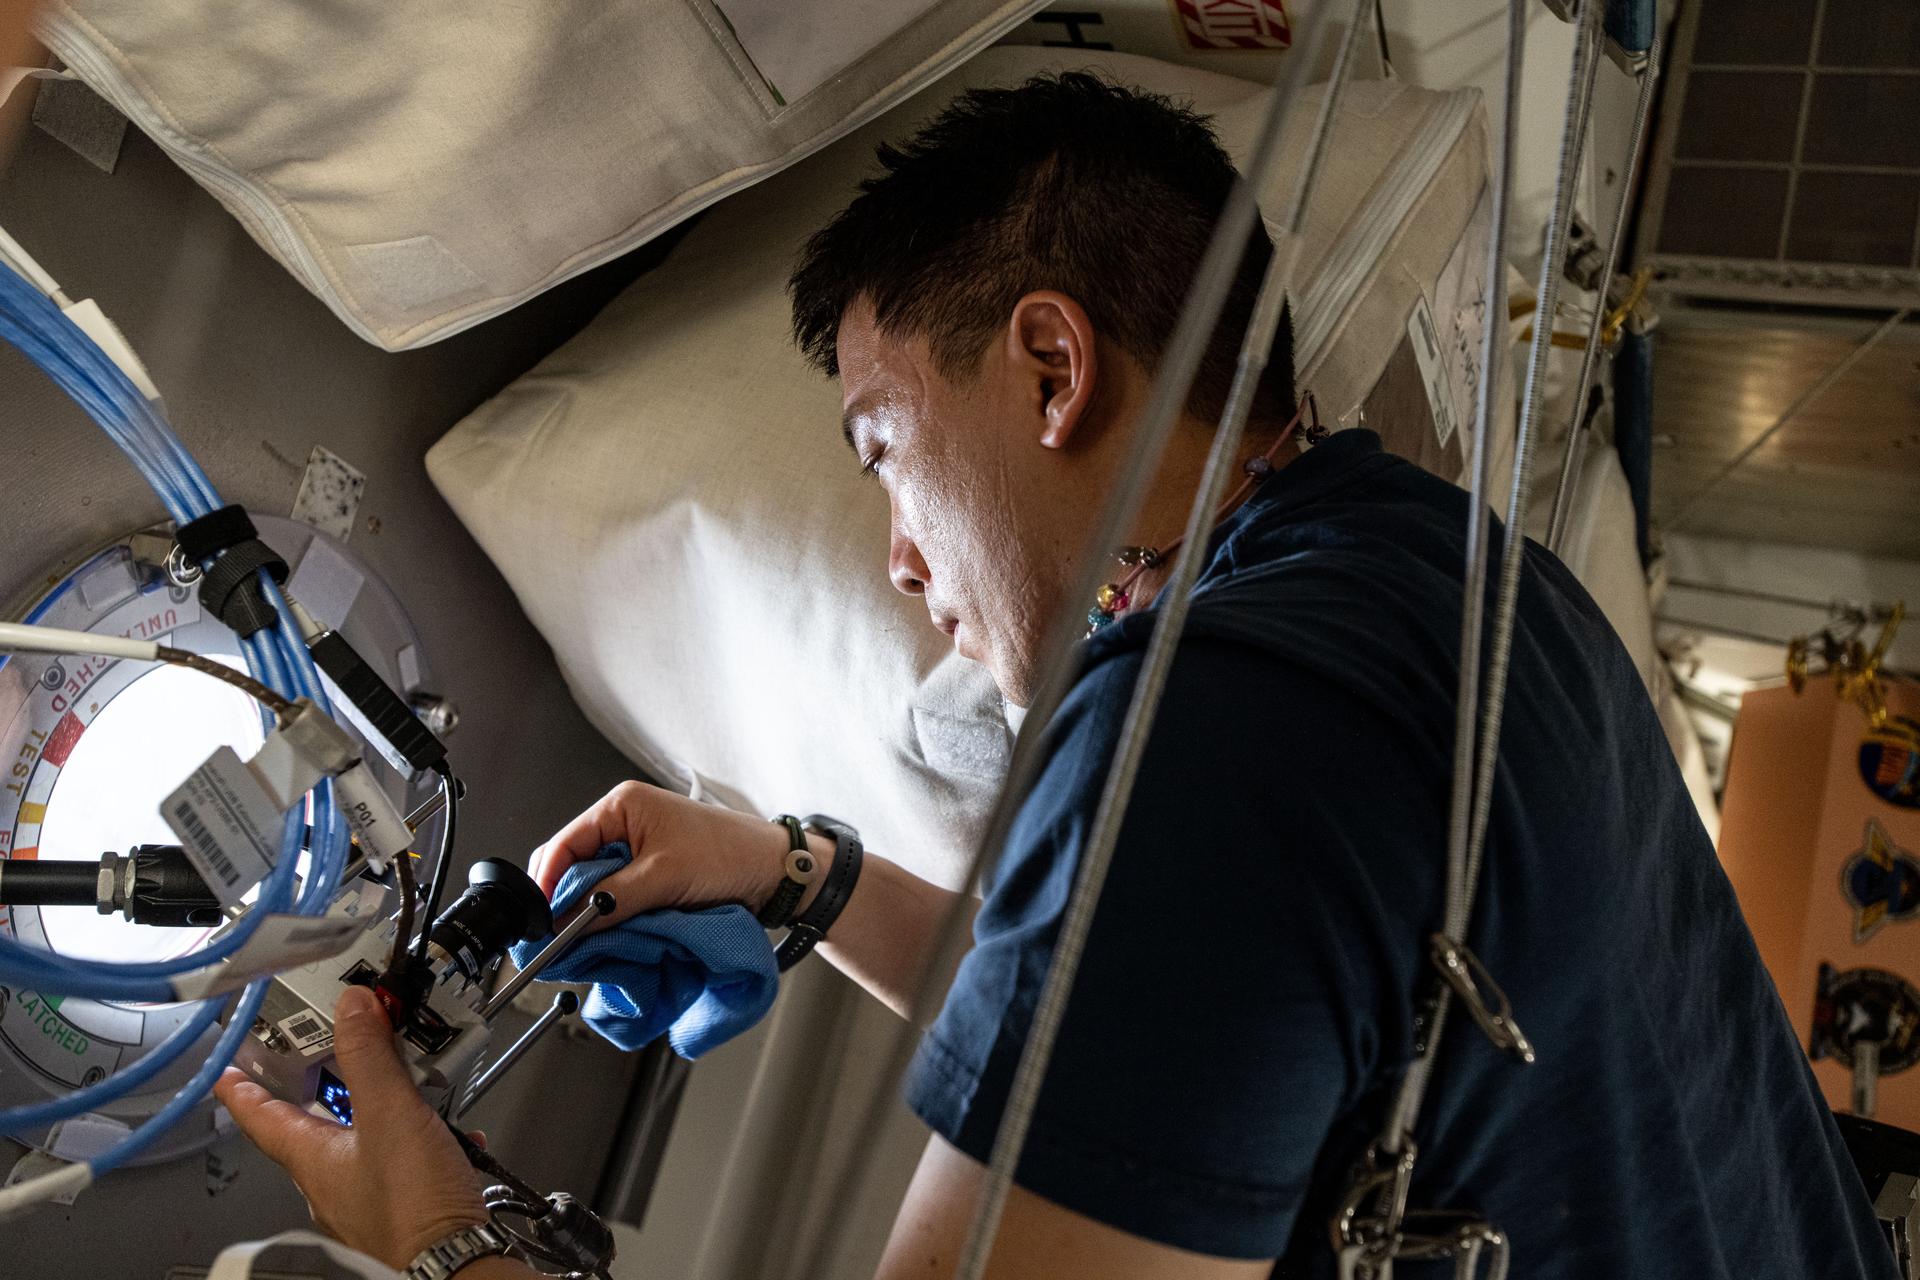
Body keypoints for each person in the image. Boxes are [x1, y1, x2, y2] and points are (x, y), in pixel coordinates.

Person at [216, 74, 1895, 1279]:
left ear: (1047, 366)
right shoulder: (1445, 583)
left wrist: (437, 1243)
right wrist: (802, 875)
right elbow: (1166, 1025)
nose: (894, 556)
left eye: (883, 449)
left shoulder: (1210, 714)